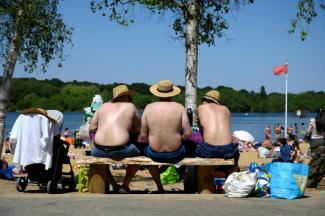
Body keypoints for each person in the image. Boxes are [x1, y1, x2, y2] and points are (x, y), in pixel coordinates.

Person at [125, 80, 192, 193]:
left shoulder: (149, 108)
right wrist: (180, 139)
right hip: (176, 153)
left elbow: (143, 135)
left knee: (144, 152)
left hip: (154, 153)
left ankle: (159, 186)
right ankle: (191, 182)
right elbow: (188, 133)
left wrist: (152, 141)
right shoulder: (179, 107)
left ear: (157, 92)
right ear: (172, 93)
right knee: (191, 147)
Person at [89, 84, 142, 193]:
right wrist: (126, 129)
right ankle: (124, 186)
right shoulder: (130, 107)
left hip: (98, 150)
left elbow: (92, 128)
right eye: (128, 96)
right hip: (120, 149)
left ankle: (114, 185)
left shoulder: (102, 107)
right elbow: (139, 129)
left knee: (102, 160)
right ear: (124, 97)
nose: (129, 99)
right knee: (140, 154)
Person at [195, 90, 239, 171]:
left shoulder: (201, 108)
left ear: (207, 100)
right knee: (236, 153)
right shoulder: (226, 109)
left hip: (208, 150)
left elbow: (202, 134)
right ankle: (231, 174)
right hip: (227, 149)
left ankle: (199, 179)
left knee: (193, 149)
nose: (203, 102)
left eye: (204, 99)